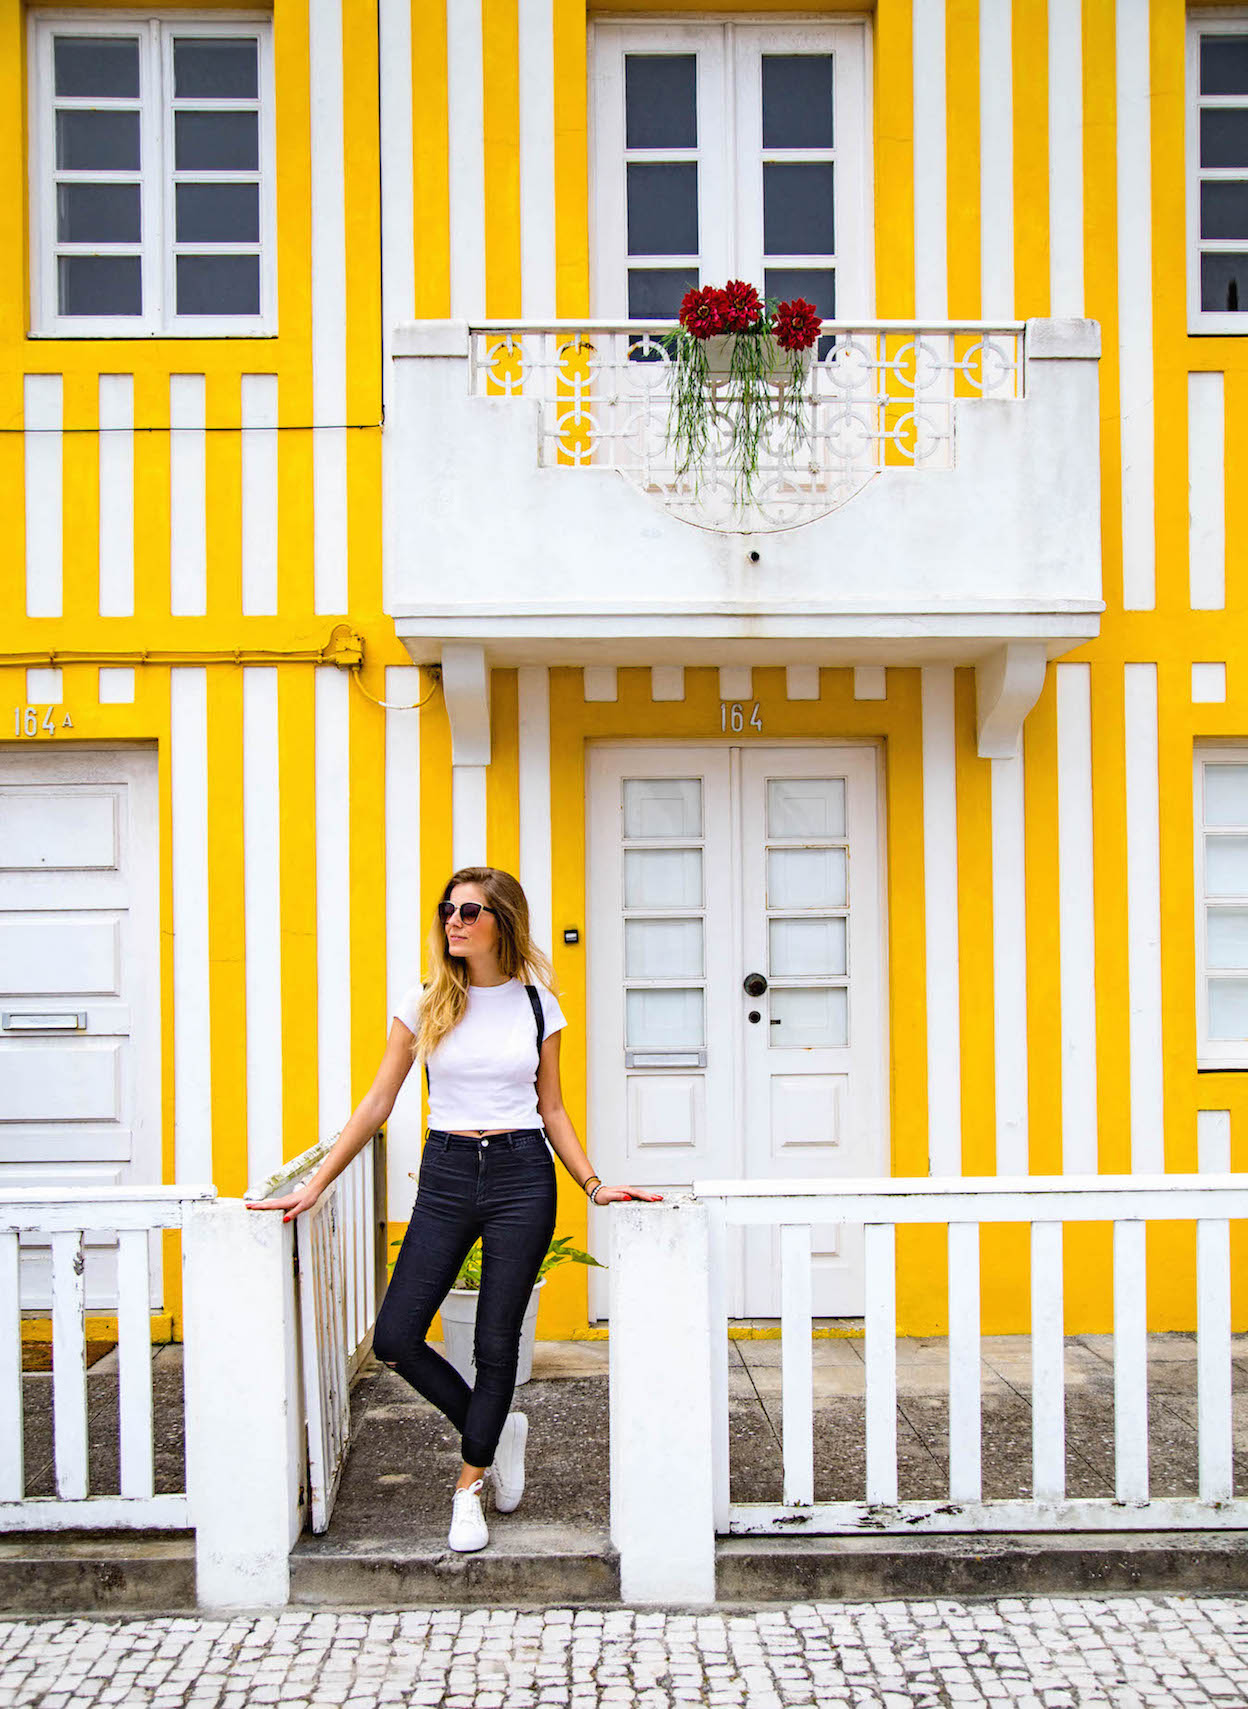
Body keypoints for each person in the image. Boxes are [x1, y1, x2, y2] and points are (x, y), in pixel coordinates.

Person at [247, 865, 660, 1552]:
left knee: (496, 1345)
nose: (454, 921)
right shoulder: (426, 1003)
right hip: (445, 1173)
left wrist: (592, 1183)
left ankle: (467, 1485)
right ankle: (496, 1427)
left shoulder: (538, 1006)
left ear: (502, 920)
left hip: (522, 1174)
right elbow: (377, 1103)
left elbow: (551, 1107)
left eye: (469, 910)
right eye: (448, 909)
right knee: (397, 1336)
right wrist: (316, 1183)